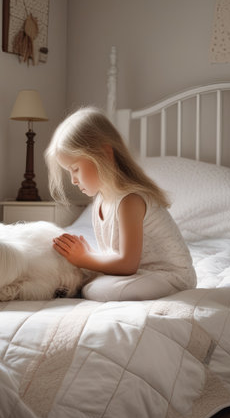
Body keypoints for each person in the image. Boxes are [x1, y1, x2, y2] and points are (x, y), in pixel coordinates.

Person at [44, 106, 196, 301]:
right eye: (69, 172)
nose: (73, 180)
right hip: (140, 275)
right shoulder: (100, 200)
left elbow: (127, 264)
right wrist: (89, 256)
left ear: (104, 154)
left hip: (171, 277)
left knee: (96, 289)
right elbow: (115, 256)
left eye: (75, 169)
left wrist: (84, 259)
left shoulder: (130, 200)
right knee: (92, 282)